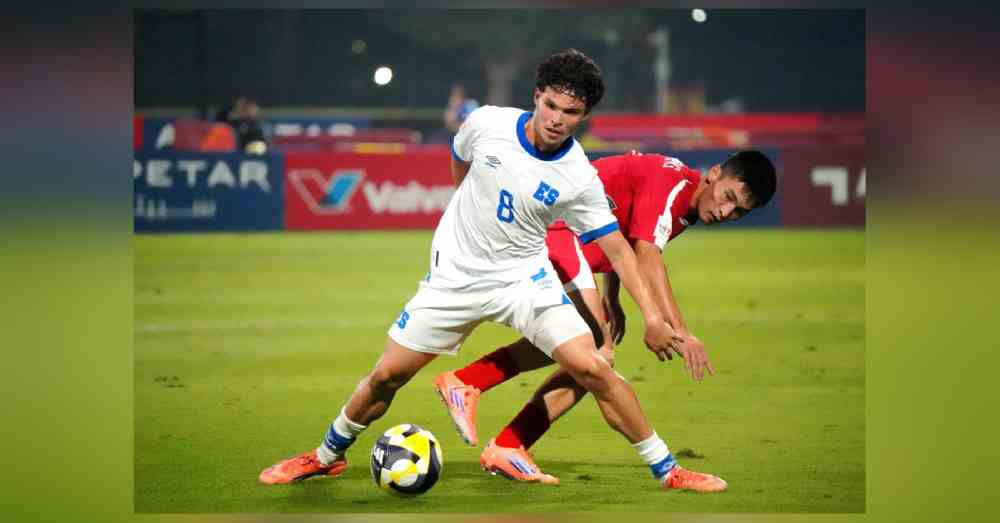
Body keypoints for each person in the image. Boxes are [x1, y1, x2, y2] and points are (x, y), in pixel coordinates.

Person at [258, 49, 722, 493]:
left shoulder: (578, 176)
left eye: (572, 112)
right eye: (552, 105)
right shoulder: (487, 123)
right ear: (536, 96)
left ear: (584, 116)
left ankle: (668, 470)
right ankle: (325, 456)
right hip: (454, 278)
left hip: (525, 278)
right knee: (386, 377)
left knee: (593, 366)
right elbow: (460, 158)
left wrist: (655, 319)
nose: (558, 119)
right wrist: (463, 207)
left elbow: (620, 252)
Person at [434, 149, 777, 484]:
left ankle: (503, 434)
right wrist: (670, 326)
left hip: (558, 234)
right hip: (551, 230)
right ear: (714, 173)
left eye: (738, 212)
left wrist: (611, 296)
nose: (725, 211)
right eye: (728, 196)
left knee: (583, 353)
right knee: (596, 355)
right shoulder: (673, 186)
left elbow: (624, 239)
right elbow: (646, 254)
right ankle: (479, 395)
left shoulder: (683, 196)